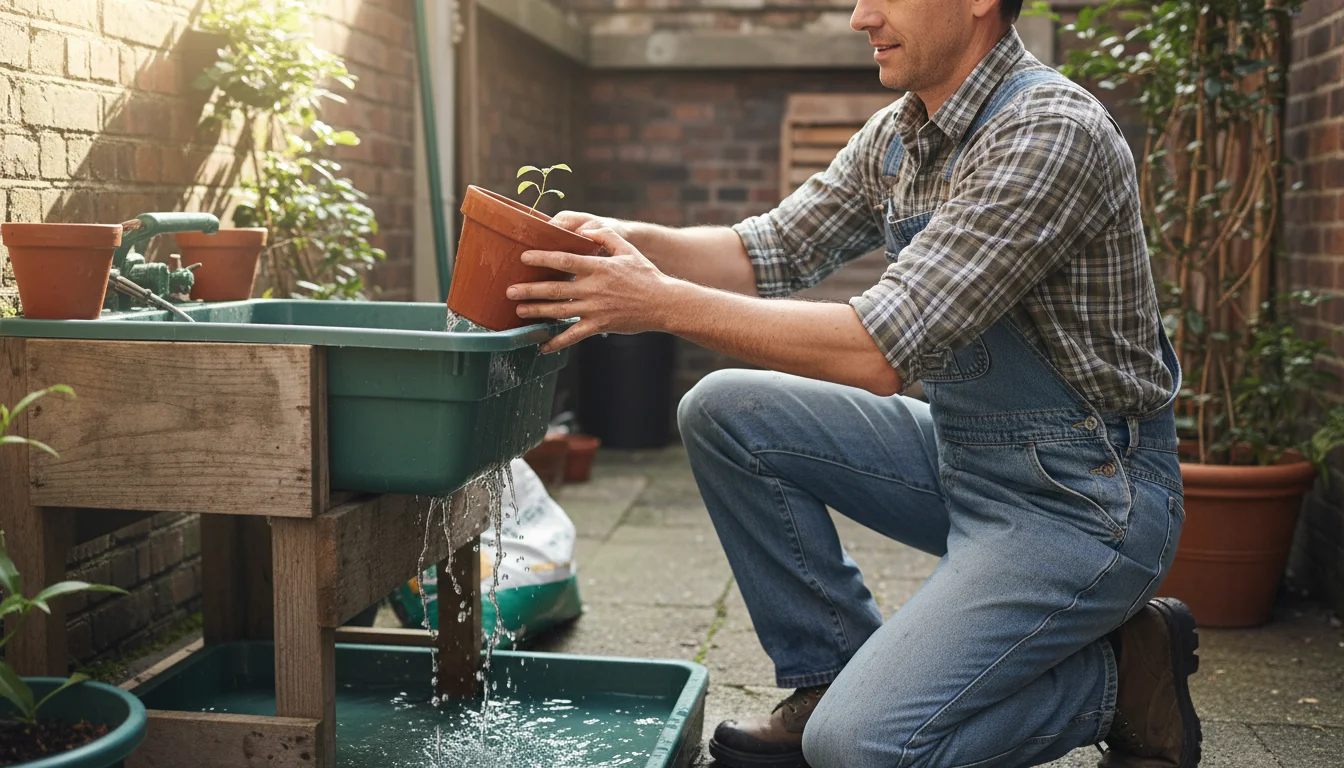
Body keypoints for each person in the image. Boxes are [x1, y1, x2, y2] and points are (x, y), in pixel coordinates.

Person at [506, 0, 1202, 765]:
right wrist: (627, 244)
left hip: (1084, 498)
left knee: (862, 746)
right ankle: (827, 674)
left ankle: (1120, 681)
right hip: (968, 458)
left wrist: (658, 303)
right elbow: (764, 250)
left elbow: (877, 351)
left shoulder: (1048, 132)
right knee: (724, 410)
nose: (859, 16)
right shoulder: (903, 136)